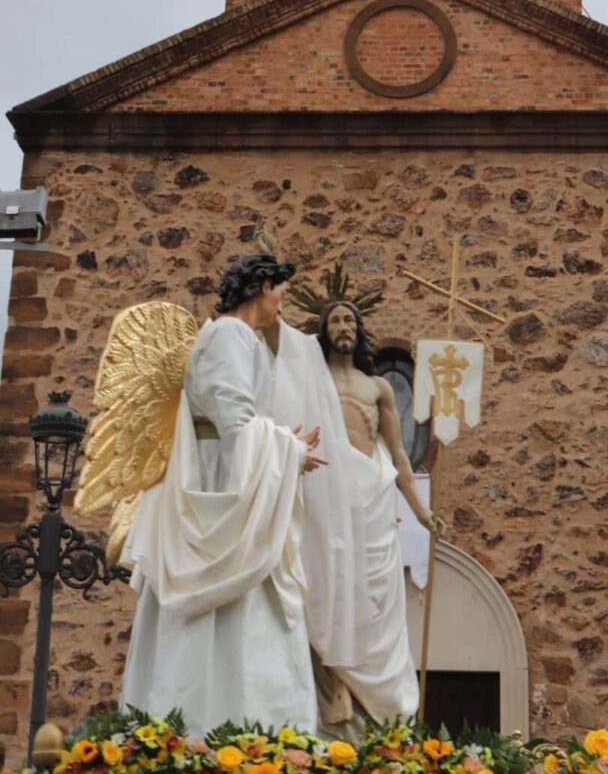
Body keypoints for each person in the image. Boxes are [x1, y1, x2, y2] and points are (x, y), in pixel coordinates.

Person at [120, 254, 325, 739]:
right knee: (244, 611)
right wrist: (289, 450)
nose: (281, 305)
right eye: (279, 292)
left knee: (239, 615)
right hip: (224, 483)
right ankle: (234, 733)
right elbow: (233, 423)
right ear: (260, 288)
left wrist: (278, 440)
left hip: (230, 476)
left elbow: (239, 421)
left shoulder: (231, 336)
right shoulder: (232, 334)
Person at [314, 300, 436, 733]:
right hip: (327, 497)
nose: (343, 326)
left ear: (359, 329)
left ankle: (377, 698)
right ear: (324, 330)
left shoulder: (378, 388)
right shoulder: (312, 381)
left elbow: (399, 454)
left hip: (370, 500)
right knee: (328, 591)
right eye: (335, 320)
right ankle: (336, 682)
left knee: (371, 599)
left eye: (349, 319)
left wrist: (421, 510)